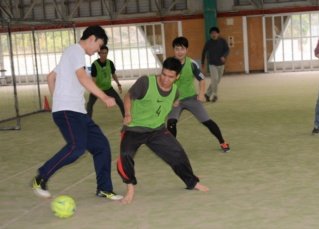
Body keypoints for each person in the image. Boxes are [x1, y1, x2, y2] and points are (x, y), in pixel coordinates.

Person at [32, 25, 122, 201]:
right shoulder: (75, 51)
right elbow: (82, 77)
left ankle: (104, 189)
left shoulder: (71, 54)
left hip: (77, 111)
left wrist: (56, 99)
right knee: (76, 147)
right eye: (98, 46)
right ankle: (41, 177)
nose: (98, 51)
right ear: (92, 39)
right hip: (68, 111)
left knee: (101, 146)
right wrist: (104, 96)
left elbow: (51, 77)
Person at [117, 57, 209, 205]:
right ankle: (130, 188)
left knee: (178, 153)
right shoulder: (145, 82)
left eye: (170, 77)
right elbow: (128, 96)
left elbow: (172, 102)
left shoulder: (175, 92)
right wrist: (127, 113)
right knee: (125, 155)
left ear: (177, 77)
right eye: (163, 74)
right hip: (134, 128)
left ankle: (192, 182)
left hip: (157, 130)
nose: (166, 79)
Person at [167, 36, 230, 153]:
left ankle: (222, 141)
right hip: (175, 100)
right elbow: (164, 83)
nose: (179, 52)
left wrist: (201, 94)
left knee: (207, 121)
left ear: (186, 50)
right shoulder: (169, 64)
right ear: (173, 50)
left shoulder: (192, 64)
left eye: (182, 49)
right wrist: (171, 99)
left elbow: (201, 80)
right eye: (177, 49)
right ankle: (172, 149)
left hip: (191, 98)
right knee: (171, 123)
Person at [86, 45, 125, 118]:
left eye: (105, 53)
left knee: (119, 101)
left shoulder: (110, 63)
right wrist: (97, 90)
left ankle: (125, 117)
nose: (104, 55)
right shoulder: (95, 65)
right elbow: (93, 79)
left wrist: (118, 84)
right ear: (99, 54)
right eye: (102, 53)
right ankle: (88, 121)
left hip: (108, 88)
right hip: (97, 88)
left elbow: (113, 74)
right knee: (90, 104)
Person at [201, 26, 229, 102]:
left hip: (221, 64)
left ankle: (207, 94)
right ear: (210, 34)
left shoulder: (222, 41)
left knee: (216, 81)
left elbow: (227, 50)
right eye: (212, 33)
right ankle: (214, 95)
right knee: (215, 79)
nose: (214, 34)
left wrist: (224, 56)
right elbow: (203, 52)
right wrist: (202, 63)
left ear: (218, 33)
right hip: (212, 64)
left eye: (215, 33)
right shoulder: (208, 43)